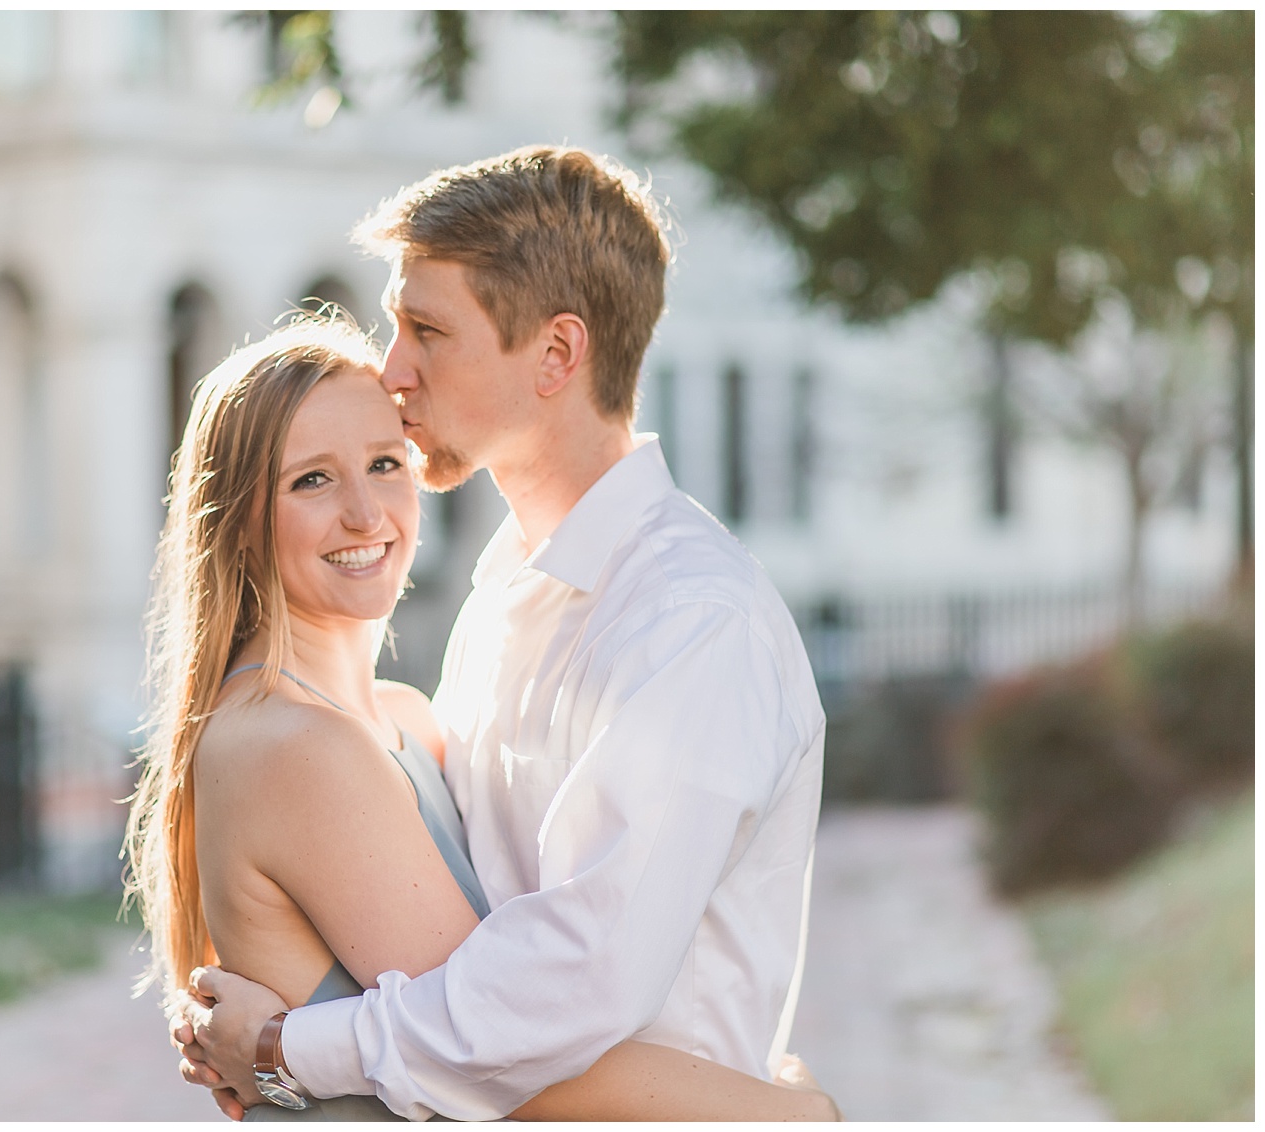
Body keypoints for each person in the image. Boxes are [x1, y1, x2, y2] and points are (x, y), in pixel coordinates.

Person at [170, 146, 830, 1122]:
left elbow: (573, 983)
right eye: (313, 477)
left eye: (426, 330)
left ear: (557, 356)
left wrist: (286, 1045)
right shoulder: (500, 604)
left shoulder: (689, 620)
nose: (393, 370)